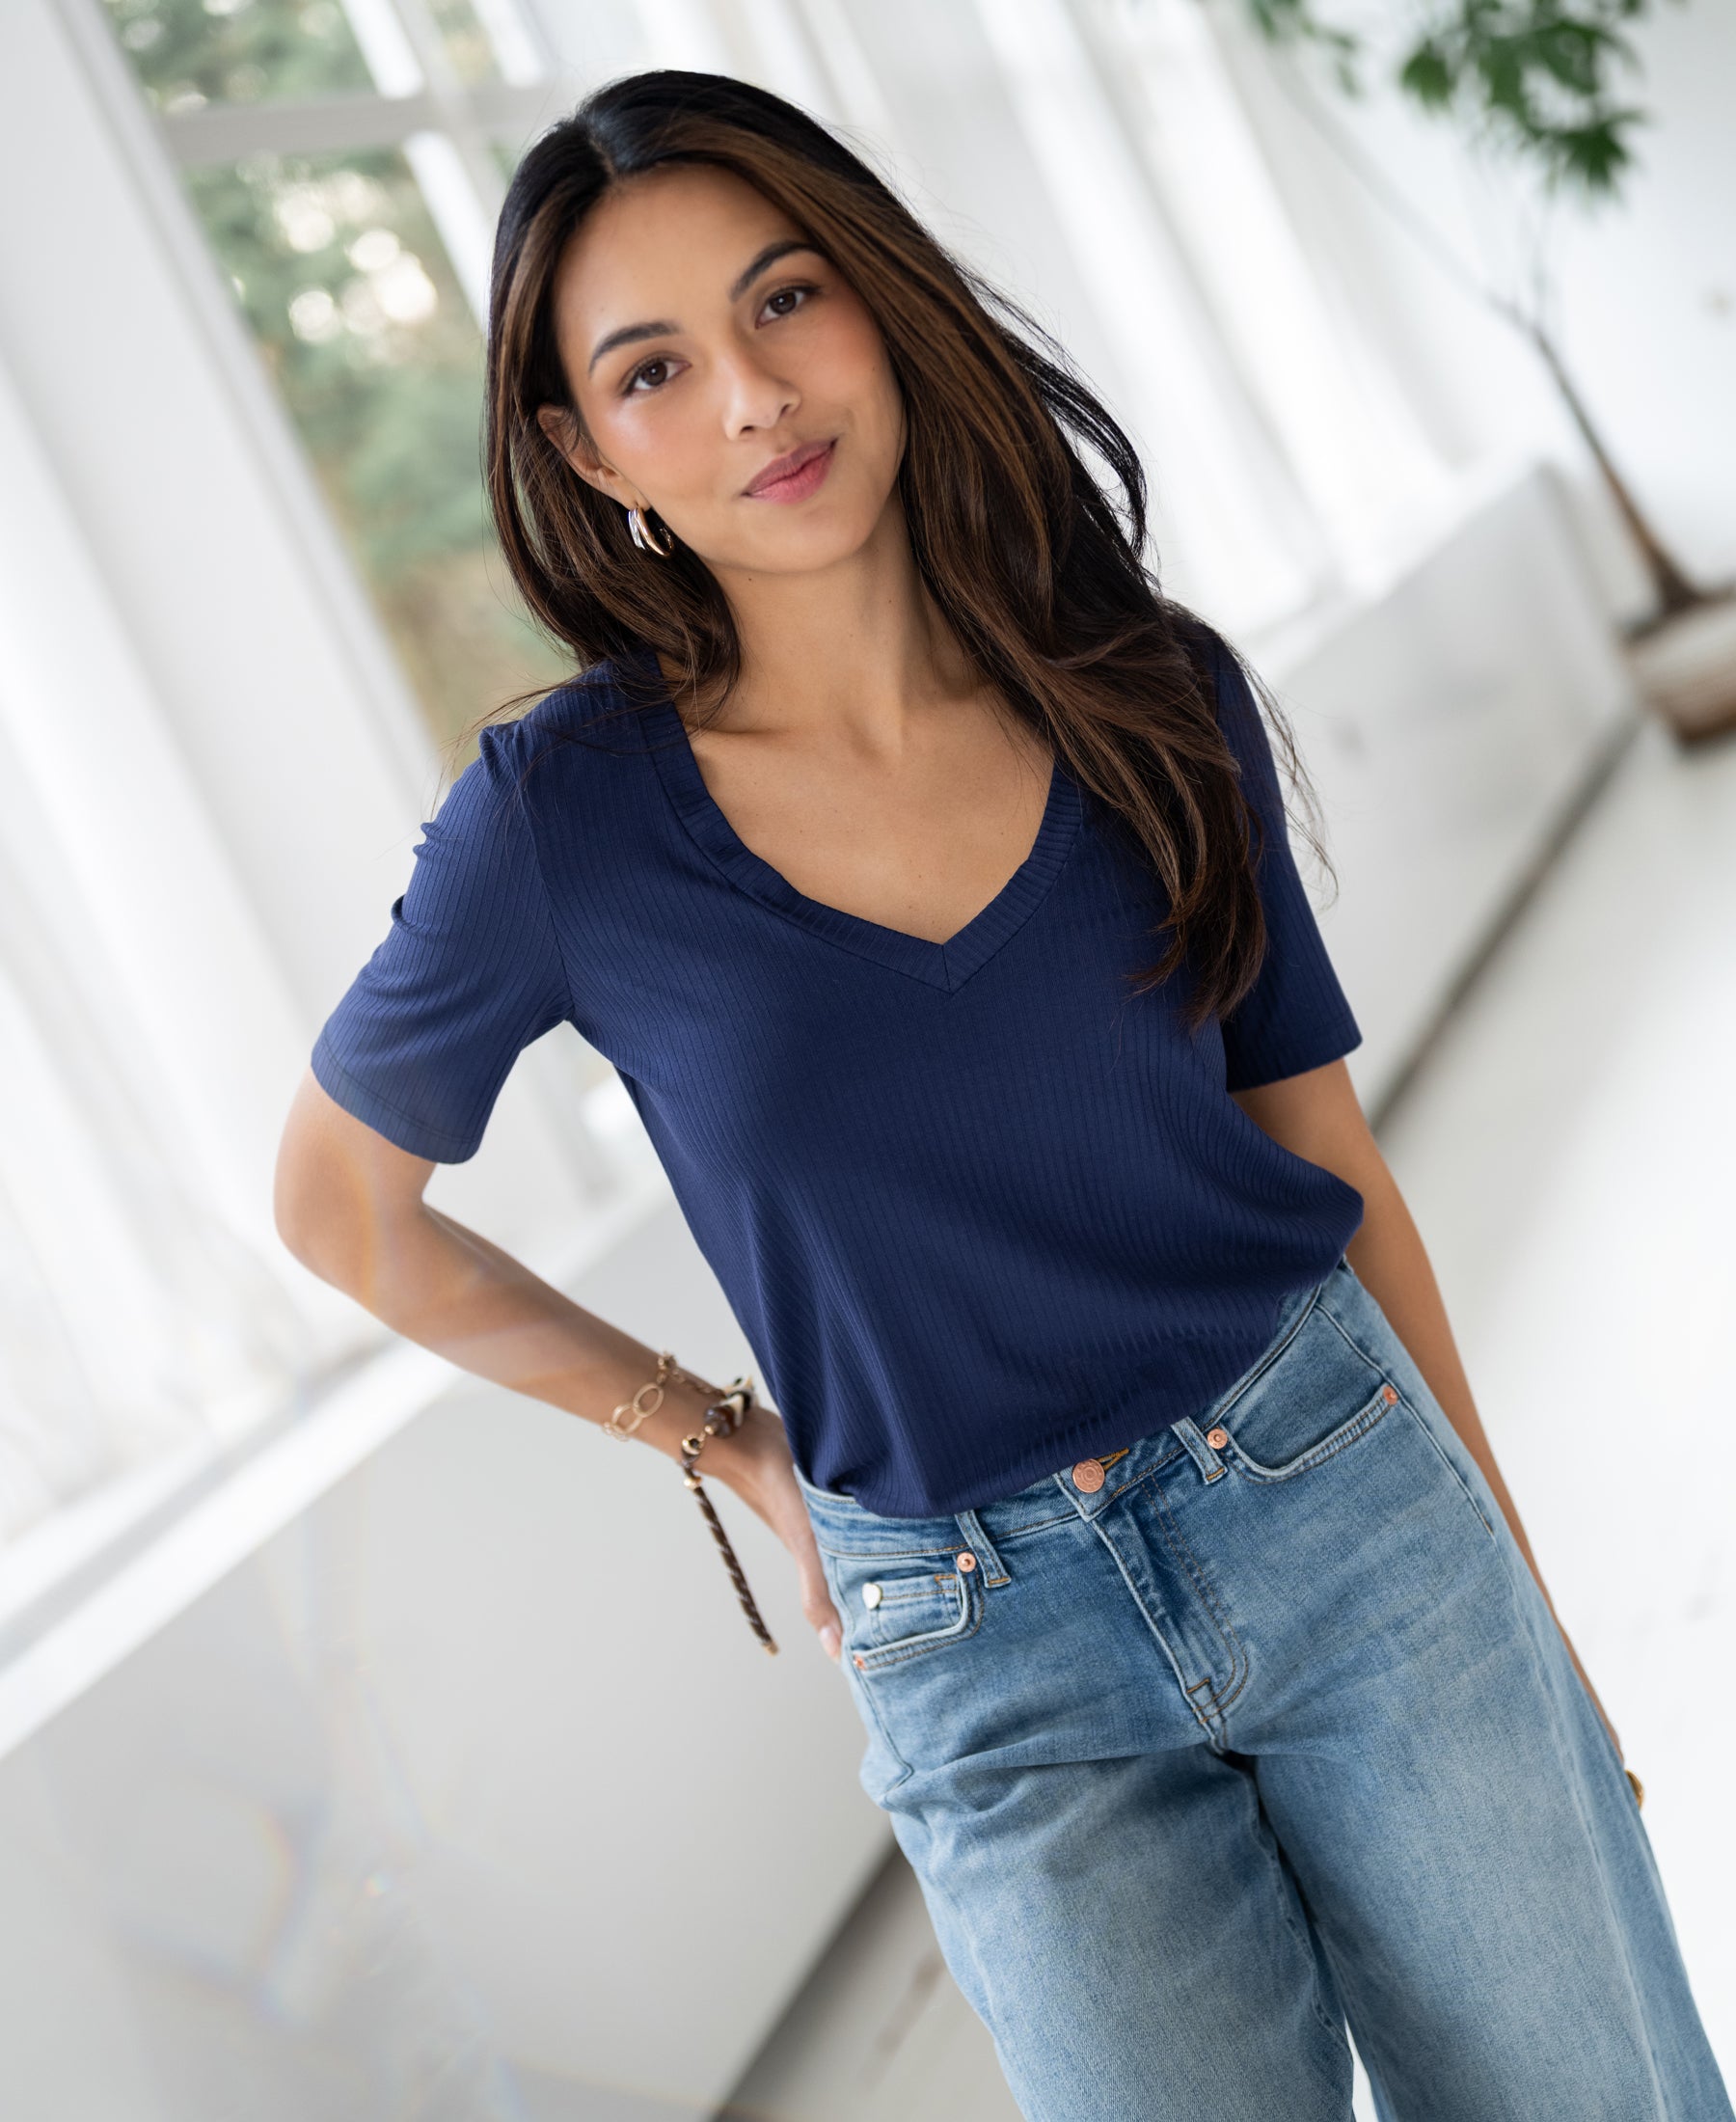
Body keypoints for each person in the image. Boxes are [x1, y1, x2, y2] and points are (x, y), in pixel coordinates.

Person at [273, 68, 1730, 2122]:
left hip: (1346, 1501)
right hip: (981, 1654)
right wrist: (722, 1437)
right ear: (581, 445)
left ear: (877, 296)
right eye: (658, 367)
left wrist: (1531, 1610)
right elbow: (348, 1208)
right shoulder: (560, 821)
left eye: (787, 302)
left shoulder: (1142, 683)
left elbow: (1324, 1151)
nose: (757, 400)